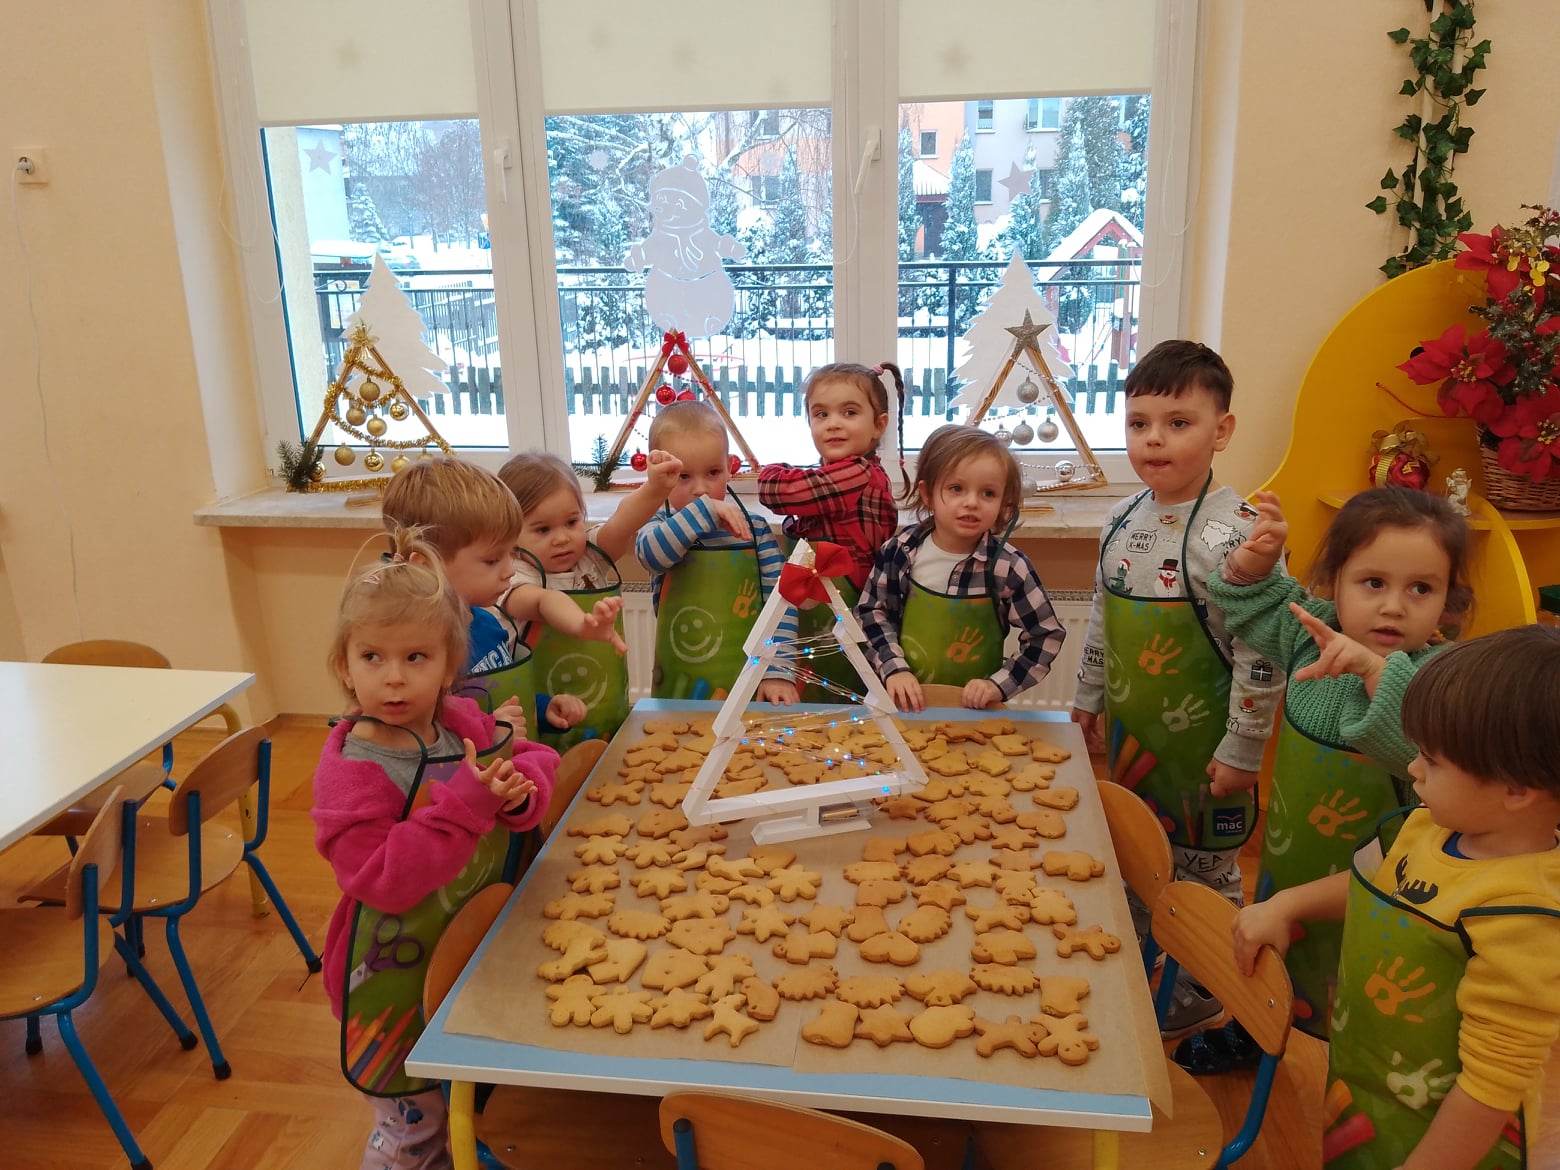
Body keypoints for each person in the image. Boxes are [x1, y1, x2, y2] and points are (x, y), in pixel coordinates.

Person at [1233, 626, 1560, 1170]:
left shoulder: (1526, 918)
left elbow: (1489, 1089)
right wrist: (1287, 904)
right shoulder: (1432, 827)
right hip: (1369, 1082)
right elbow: (1383, 886)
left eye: (1431, 760)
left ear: (1516, 790)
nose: (1412, 768)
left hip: (1442, 1141)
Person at [1195, 485, 1472, 1065]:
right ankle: (1253, 1029)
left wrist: (1374, 669)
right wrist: (1256, 562)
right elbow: (1247, 605)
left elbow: (1412, 742)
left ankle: (1349, 1063)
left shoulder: (1444, 677)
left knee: (1351, 976)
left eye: (1421, 589)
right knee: (1273, 947)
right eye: (1373, 583)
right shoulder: (1311, 632)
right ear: (1334, 582)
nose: (1394, 606)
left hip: (1369, 881)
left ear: (1448, 601)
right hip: (1291, 850)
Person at [313, 527, 558, 1169]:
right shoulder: (352, 768)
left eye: (416, 657)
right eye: (372, 657)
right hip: (389, 978)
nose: (394, 679)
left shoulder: (456, 721)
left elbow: (535, 757)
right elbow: (382, 880)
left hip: (463, 947)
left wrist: (516, 796)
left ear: (450, 666)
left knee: (458, 1097)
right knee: (411, 1132)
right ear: (344, 665)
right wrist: (469, 804)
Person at [1069, 340, 1284, 1040]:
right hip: (1136, 742)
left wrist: (1243, 749)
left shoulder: (1241, 536)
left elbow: (1262, 653)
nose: (1153, 439)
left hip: (1206, 756)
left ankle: (1206, 988)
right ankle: (1133, 965)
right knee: (1135, 852)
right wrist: (1088, 699)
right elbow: (1101, 617)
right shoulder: (1120, 520)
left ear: (1222, 430)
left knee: (1203, 872)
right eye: (1139, 423)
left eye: (1178, 422)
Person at [380, 456, 616, 731]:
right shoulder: (416, 654)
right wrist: (491, 728)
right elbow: (423, 737)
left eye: (510, 554)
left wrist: (543, 708)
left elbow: (505, 696)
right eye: (492, 560)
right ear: (426, 567)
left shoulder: (488, 623)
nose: (509, 571)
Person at [856, 423, 1064, 711]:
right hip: (905, 705)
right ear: (927, 494)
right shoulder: (900, 551)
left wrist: (997, 685)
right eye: (956, 488)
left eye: (988, 493)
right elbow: (871, 612)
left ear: (1005, 503)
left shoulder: (1009, 567)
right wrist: (893, 668)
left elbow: (1046, 635)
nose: (971, 503)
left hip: (976, 713)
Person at [497, 449, 682, 748]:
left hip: (607, 710)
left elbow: (623, 522)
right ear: (508, 534)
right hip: (547, 727)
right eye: (542, 529)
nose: (562, 538)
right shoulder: (511, 576)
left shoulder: (590, 557)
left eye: (572, 522)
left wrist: (655, 488)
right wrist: (582, 625)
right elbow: (543, 601)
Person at [758, 361, 907, 701]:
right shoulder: (831, 475)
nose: (833, 424)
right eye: (821, 414)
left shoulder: (857, 473)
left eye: (849, 412)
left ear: (879, 425)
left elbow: (778, 492)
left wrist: (773, 471)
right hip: (819, 603)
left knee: (845, 692)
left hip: (851, 604)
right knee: (815, 689)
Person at [634, 400, 799, 702]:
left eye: (713, 472)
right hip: (677, 686)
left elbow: (780, 603)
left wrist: (777, 671)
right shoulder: (658, 527)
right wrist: (706, 510)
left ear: (728, 469)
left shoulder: (755, 530)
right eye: (683, 476)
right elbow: (651, 555)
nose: (701, 489)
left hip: (746, 684)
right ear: (661, 477)